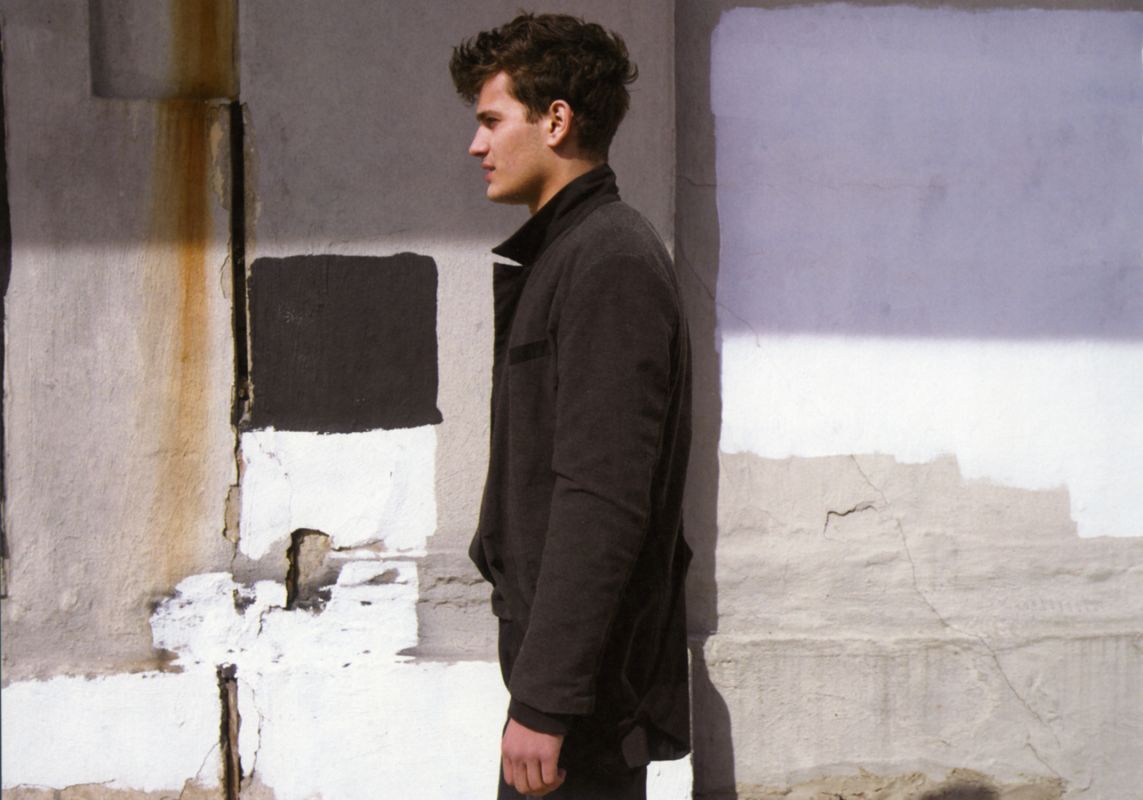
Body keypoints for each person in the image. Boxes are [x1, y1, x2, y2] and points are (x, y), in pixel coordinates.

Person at [450, 13, 693, 799]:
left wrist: (546, 701)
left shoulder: (608, 261)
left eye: (492, 120)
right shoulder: (568, 255)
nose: (476, 145)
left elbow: (603, 495)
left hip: (585, 698)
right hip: (563, 681)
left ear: (555, 120)